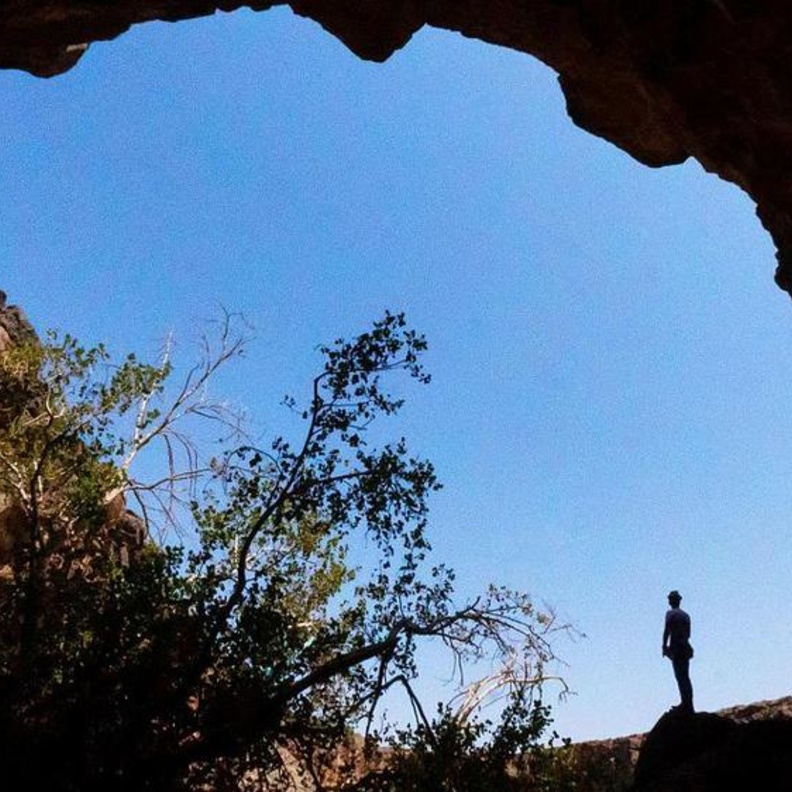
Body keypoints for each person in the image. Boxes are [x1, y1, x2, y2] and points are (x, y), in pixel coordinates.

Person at [662, 589, 694, 713]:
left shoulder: (670, 614)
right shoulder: (686, 616)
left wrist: (664, 646)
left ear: (672, 601)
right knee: (685, 677)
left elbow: (667, 630)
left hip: (676, 648)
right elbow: (688, 634)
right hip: (685, 647)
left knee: (680, 676)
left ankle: (685, 705)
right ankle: (688, 704)